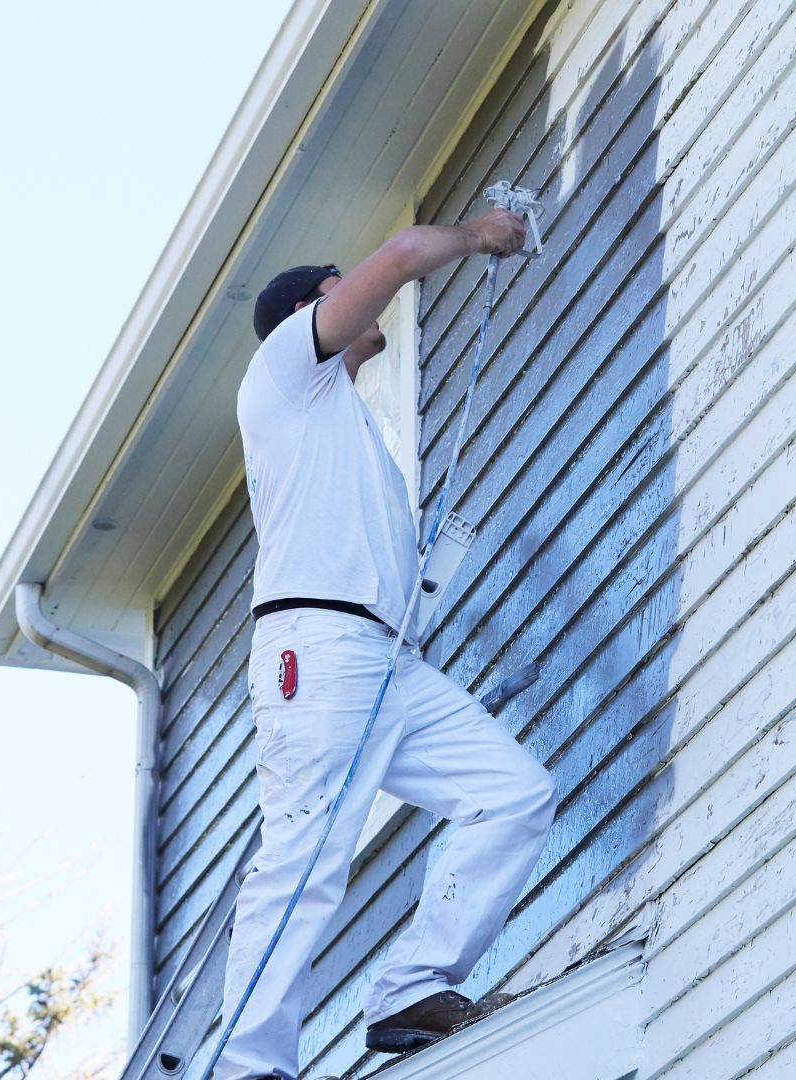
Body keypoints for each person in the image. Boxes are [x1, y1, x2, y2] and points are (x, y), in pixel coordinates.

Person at [216, 206, 556, 1080]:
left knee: (512, 793)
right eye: (340, 290)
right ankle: (249, 1063)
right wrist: (485, 233)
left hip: (388, 666)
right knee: (307, 855)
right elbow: (403, 255)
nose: (358, 299)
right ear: (314, 311)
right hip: (319, 650)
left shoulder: (349, 426)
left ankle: (412, 989)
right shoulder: (284, 373)